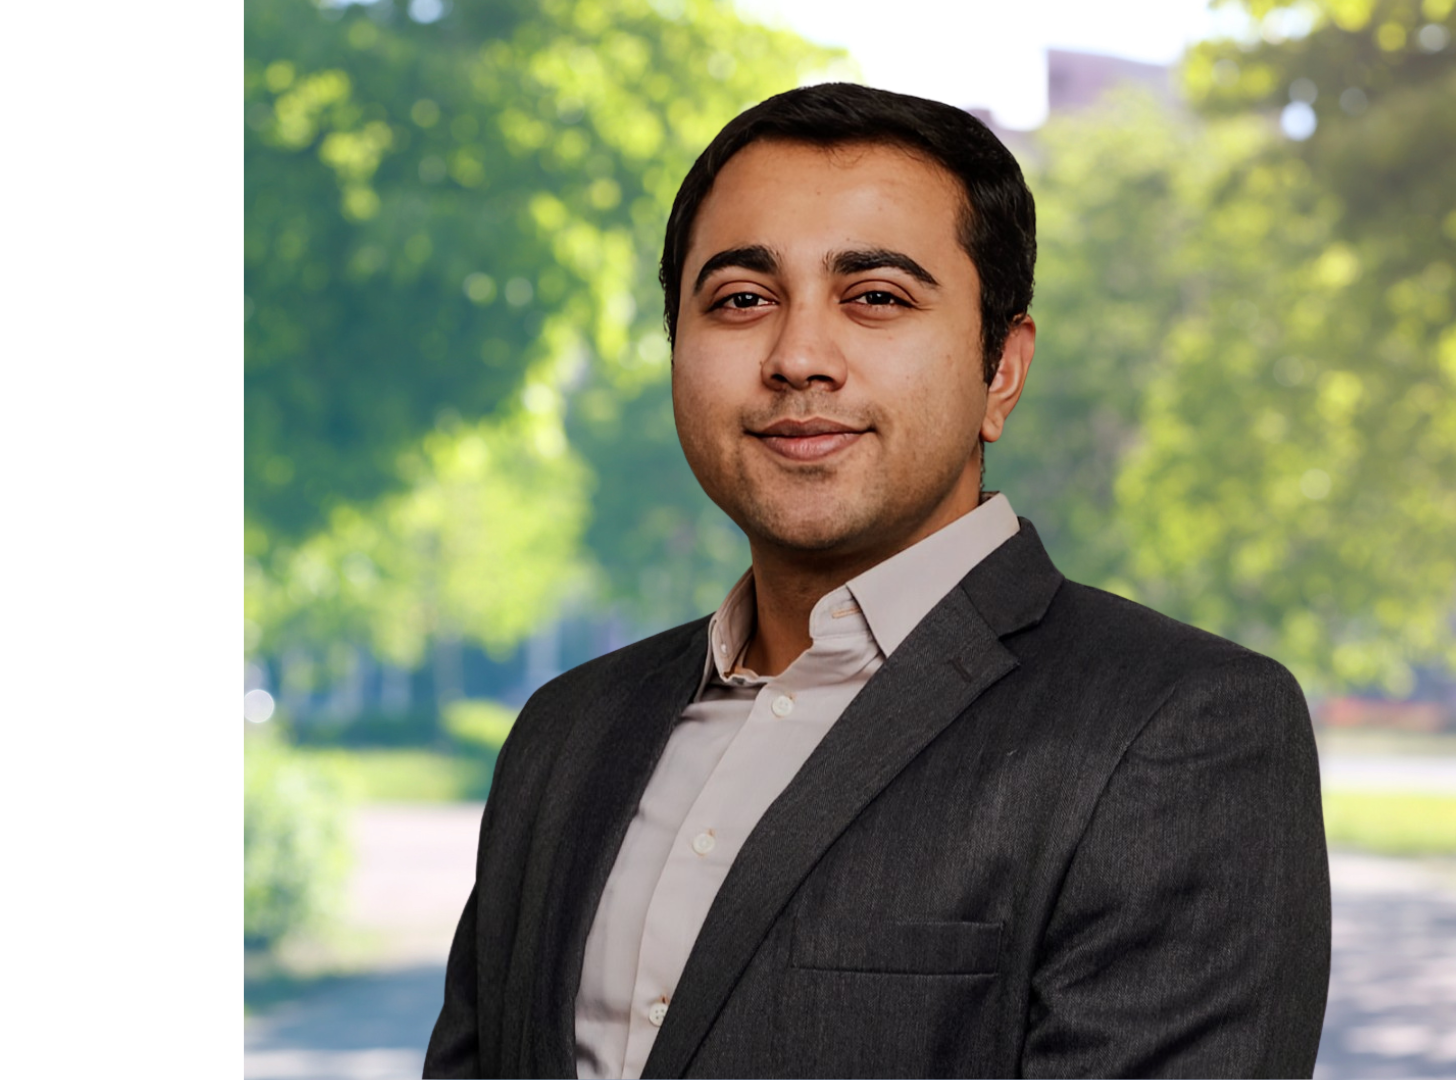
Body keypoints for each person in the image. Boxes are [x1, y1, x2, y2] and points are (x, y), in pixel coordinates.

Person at [424, 82, 1329, 1080]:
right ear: (676, 350)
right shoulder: (565, 732)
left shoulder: (1181, 730)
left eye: (877, 299)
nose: (799, 356)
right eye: (740, 301)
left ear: (1002, 372)